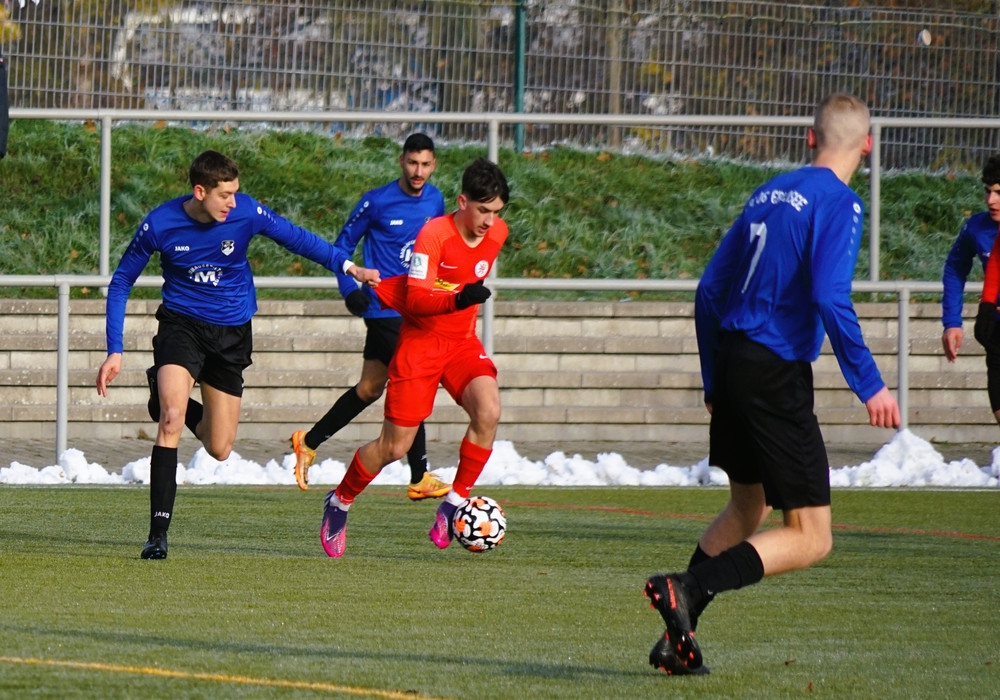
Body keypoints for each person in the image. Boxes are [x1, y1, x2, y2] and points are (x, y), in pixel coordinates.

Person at [644, 94, 901, 675]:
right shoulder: (841, 202)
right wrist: (870, 384)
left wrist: (714, 379)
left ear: (810, 138)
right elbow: (830, 294)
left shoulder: (767, 193)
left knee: (746, 508)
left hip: (734, 362)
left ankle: (675, 640)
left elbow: (710, 290)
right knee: (811, 536)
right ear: (868, 145)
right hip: (774, 372)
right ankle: (687, 587)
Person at [95, 149, 377, 560]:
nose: (232, 202)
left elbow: (297, 238)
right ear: (200, 191)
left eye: (235, 193)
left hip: (231, 334)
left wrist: (348, 267)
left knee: (220, 447)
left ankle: (163, 392)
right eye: (224, 194)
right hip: (182, 327)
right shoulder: (160, 223)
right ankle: (157, 535)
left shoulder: (247, 212)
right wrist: (114, 350)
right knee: (170, 418)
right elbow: (122, 281)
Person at [318, 157, 509, 558]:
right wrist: (459, 298)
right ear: (462, 202)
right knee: (393, 447)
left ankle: (452, 505)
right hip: (420, 344)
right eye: (483, 210)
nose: (490, 221)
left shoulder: (497, 233)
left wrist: (461, 302)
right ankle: (339, 501)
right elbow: (419, 300)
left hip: (461, 343)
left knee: (489, 411)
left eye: (496, 211)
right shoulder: (433, 235)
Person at [289, 133, 451, 500]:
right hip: (383, 307)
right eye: (413, 163)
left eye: (425, 164)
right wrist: (350, 291)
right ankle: (420, 475)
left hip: (416, 308)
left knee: (369, 388)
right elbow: (342, 246)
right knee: (414, 377)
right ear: (401, 161)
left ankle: (308, 441)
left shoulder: (435, 199)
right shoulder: (376, 201)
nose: (418, 171)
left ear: (434, 165)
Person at [943, 155, 1000, 426]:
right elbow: (955, 268)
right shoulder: (977, 228)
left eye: (999, 193)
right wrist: (952, 322)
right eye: (988, 191)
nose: (991, 200)